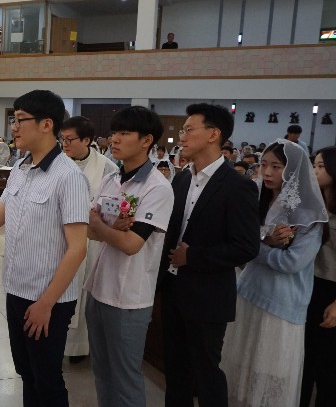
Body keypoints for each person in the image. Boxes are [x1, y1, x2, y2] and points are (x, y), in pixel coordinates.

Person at [0, 89, 89, 407]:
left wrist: (46, 303)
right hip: (16, 290)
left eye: (19, 120)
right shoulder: (20, 168)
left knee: (47, 380)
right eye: (13, 120)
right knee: (26, 374)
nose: (13, 128)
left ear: (46, 124)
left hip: (48, 299)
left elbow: (77, 249)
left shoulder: (69, 177)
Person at [158, 103, 260, 407]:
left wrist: (194, 257)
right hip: (173, 289)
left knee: (206, 372)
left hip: (208, 295)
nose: (182, 137)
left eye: (189, 130)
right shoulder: (182, 178)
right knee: (175, 370)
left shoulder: (238, 185)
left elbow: (246, 246)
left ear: (213, 134)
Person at [221, 140, 327, 406]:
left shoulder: (308, 214)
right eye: (264, 164)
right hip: (249, 293)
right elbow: (236, 240)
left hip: (282, 304)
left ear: (293, 171)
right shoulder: (259, 201)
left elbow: (292, 262)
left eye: (276, 167)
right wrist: (264, 242)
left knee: (271, 378)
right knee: (241, 369)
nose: (267, 172)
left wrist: (254, 247)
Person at [84, 106, 174, 406]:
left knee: (125, 377)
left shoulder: (157, 187)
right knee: (102, 371)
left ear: (146, 140)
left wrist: (102, 227)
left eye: (124, 133)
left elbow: (132, 244)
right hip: (98, 288)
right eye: (114, 133)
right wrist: (110, 229)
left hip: (129, 298)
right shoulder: (111, 179)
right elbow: (90, 231)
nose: (114, 139)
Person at [58, 116, 118, 362]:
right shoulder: (57, 163)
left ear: (86, 140)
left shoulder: (107, 168)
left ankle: (78, 348)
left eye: (70, 139)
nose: (64, 144)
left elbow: (114, 207)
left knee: (83, 293)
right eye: (62, 139)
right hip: (60, 237)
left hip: (91, 241)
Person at [301, 146, 336, 407]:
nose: (315, 171)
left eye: (321, 166)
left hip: (331, 292)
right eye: (314, 165)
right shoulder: (313, 206)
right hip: (307, 286)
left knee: (328, 368)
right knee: (304, 362)